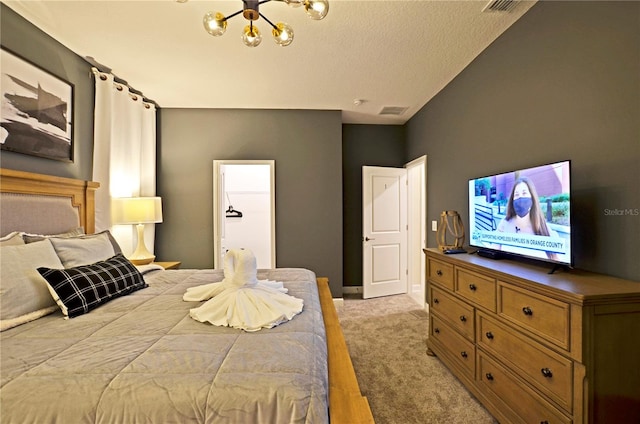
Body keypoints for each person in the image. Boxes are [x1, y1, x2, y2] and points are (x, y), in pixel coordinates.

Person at [496, 176, 558, 260]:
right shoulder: (504, 224)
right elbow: (494, 253)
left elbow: (556, 261)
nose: (520, 198)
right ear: (512, 199)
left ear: (532, 198)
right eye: (517, 195)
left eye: (524, 193)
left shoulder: (543, 228)